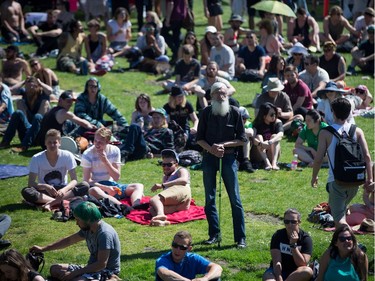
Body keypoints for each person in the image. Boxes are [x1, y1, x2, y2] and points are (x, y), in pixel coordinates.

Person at [196, 82, 247, 248]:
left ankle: (240, 238)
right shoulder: (205, 113)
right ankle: (214, 234)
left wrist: (223, 145)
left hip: (229, 158)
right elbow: (199, 139)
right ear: (211, 96)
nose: (221, 96)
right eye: (217, 93)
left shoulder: (235, 112)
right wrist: (211, 148)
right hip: (209, 158)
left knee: (235, 199)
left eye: (224, 93)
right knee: (210, 199)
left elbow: (242, 139)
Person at [311, 97, 373, 227]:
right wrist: (370, 179)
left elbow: (318, 159)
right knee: (340, 210)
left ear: (333, 112)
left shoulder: (326, 132)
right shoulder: (357, 131)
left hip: (337, 181)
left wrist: (314, 176)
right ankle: (340, 243)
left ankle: (351, 244)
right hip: (356, 180)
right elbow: (367, 157)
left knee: (338, 219)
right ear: (349, 112)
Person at [30, 201, 121, 280]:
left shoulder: (104, 234)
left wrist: (74, 273)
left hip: (106, 270)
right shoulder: (89, 229)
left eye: (78, 220)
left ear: (88, 219)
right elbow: (68, 241)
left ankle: (112, 279)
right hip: (90, 267)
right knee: (54, 269)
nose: (76, 223)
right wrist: (43, 249)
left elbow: (101, 264)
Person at [21, 129, 89, 211]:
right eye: (49, 142)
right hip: (44, 192)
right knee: (26, 191)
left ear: (59, 143)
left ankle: (51, 203)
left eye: (55, 142)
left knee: (85, 185)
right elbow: (31, 183)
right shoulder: (36, 158)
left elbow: (74, 180)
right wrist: (45, 186)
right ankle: (60, 202)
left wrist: (64, 190)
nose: (52, 145)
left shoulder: (67, 155)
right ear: (45, 143)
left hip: (63, 191)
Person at [82, 127, 144, 208]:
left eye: (100, 142)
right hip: (97, 186)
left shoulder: (114, 150)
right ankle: (122, 207)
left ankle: (136, 206)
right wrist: (106, 188)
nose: (96, 144)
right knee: (93, 191)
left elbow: (116, 177)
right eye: (95, 141)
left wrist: (105, 161)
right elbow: (87, 181)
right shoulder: (88, 154)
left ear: (108, 142)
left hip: (112, 185)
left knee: (138, 186)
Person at [0, 76, 50, 152]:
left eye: (33, 86)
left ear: (37, 86)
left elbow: (50, 91)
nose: (31, 88)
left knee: (38, 115)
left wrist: (40, 82)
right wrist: (23, 82)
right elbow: (12, 90)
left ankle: (24, 146)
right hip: (27, 130)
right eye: (28, 86)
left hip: (38, 134)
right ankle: (5, 142)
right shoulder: (25, 92)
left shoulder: (42, 93)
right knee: (17, 112)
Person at [262, 208, 313, 281]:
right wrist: (279, 277)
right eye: (287, 221)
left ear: (299, 222)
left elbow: (302, 264)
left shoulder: (305, 239)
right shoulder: (278, 235)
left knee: (307, 271)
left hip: (296, 272)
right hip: (278, 270)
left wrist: (293, 245)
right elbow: (277, 261)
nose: (290, 224)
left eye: (293, 222)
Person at [155, 230, 223, 280]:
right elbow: (164, 273)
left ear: (189, 249)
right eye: (175, 245)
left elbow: (217, 268)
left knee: (215, 278)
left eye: (182, 247)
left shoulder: (193, 258)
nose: (177, 250)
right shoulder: (163, 260)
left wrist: (205, 278)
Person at [149, 149, 191, 226]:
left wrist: (162, 185)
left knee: (154, 199)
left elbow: (184, 180)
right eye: (163, 165)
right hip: (179, 203)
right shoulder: (165, 177)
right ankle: (162, 222)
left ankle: (160, 215)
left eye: (169, 165)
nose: (166, 167)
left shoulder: (181, 170)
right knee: (153, 209)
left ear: (176, 164)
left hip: (182, 191)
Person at [252, 102, 284, 171]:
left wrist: (270, 142)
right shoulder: (257, 124)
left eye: (275, 114)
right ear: (264, 116)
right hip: (259, 153)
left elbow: (281, 134)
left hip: (271, 152)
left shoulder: (277, 122)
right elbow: (253, 138)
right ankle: (267, 163)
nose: (274, 116)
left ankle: (274, 163)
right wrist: (261, 144)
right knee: (259, 136)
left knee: (275, 136)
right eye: (271, 115)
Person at [237, 106, 255, 173]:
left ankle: (246, 160)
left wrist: (238, 131)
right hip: (233, 148)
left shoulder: (248, 124)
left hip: (243, 147)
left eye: (245, 118)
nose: (244, 120)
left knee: (246, 137)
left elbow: (250, 133)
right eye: (243, 118)